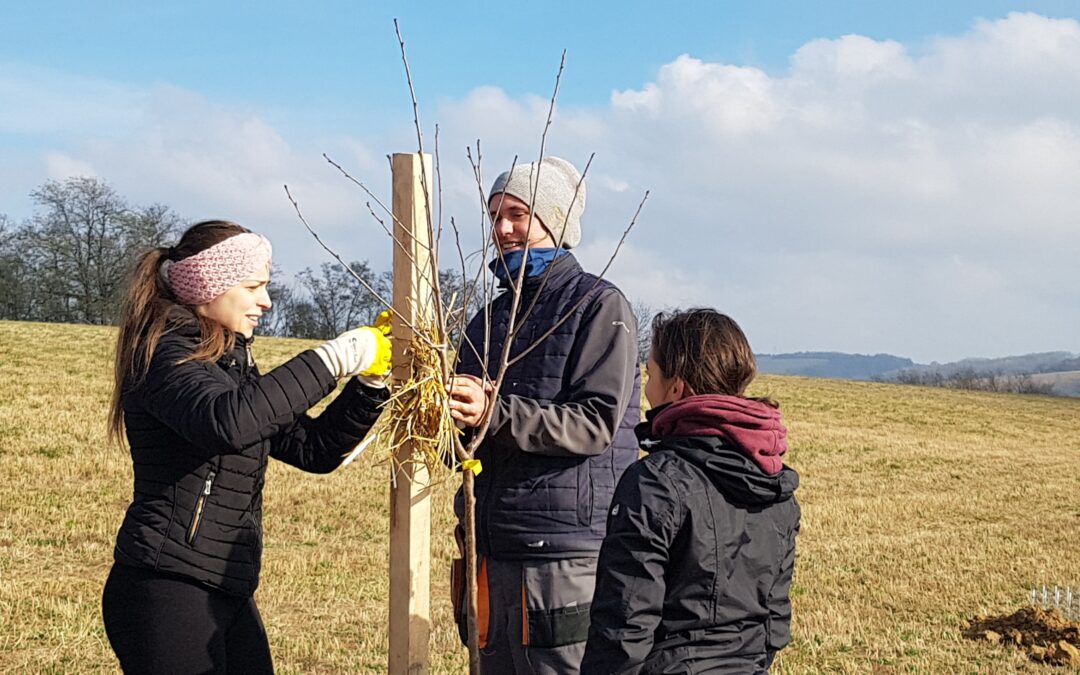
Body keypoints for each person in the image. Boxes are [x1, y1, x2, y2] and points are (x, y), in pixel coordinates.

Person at [102, 220, 392, 674]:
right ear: (209, 286)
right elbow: (228, 422)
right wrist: (335, 358)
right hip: (166, 589)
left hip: (225, 588)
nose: (266, 301)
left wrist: (371, 385)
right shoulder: (163, 355)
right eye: (253, 286)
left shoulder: (231, 370)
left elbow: (312, 449)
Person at [448, 156, 641, 674]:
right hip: (491, 541)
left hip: (562, 552)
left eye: (517, 213)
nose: (503, 229)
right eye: (494, 216)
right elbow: (467, 439)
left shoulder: (598, 306)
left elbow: (595, 423)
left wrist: (493, 410)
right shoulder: (486, 321)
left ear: (555, 221)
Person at [581, 309, 801, 674]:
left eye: (650, 373)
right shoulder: (776, 481)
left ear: (676, 387)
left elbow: (623, 625)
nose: (645, 388)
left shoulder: (654, 482)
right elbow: (774, 621)